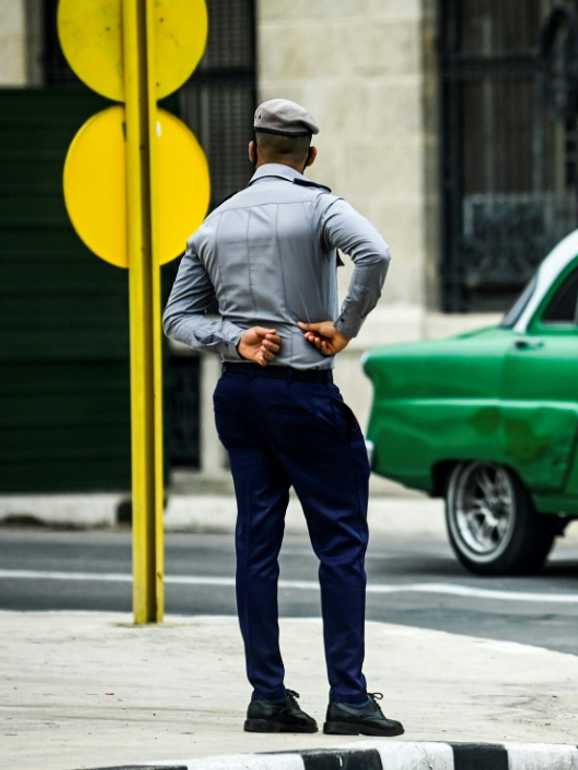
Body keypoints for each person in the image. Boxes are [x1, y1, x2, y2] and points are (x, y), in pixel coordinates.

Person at [163, 98, 403, 737]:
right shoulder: (321, 205)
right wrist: (344, 327)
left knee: (256, 545)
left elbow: (176, 318)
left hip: (241, 397)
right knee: (341, 545)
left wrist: (232, 339)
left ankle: (267, 697)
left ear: (251, 152)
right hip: (304, 396)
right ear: (309, 156)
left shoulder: (214, 224)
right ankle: (348, 698)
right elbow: (374, 253)